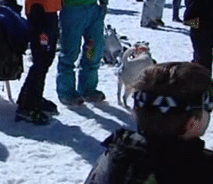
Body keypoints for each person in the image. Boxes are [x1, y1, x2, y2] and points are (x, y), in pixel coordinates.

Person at [85, 62, 213, 184]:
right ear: (191, 123)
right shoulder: (202, 171)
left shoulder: (114, 157)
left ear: (135, 112)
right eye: (209, 109)